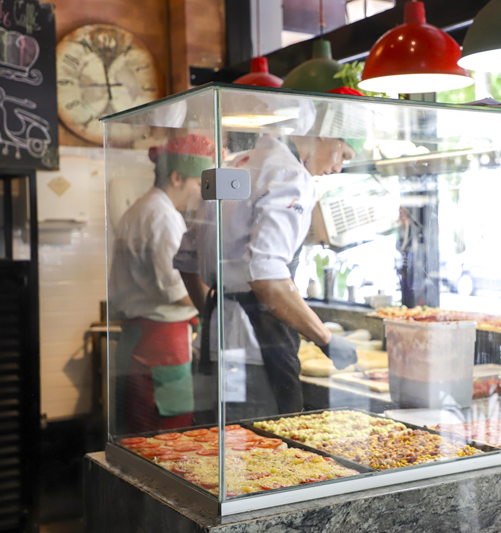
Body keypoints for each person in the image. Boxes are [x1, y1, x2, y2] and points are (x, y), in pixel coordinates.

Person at [175, 126, 360, 419]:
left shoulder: (234, 165)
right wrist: (326, 339)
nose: (338, 167)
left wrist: (215, 313)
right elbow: (267, 279)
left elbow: (187, 258)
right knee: (264, 439)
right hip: (257, 350)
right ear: (325, 134)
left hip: (217, 344)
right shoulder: (289, 174)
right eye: (344, 154)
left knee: (221, 436)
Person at [109, 134, 215, 434]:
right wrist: (218, 305)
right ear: (177, 177)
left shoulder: (141, 208)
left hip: (141, 342)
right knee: (165, 437)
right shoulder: (163, 216)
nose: (202, 194)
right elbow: (179, 292)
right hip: (159, 346)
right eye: (199, 184)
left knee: (138, 434)